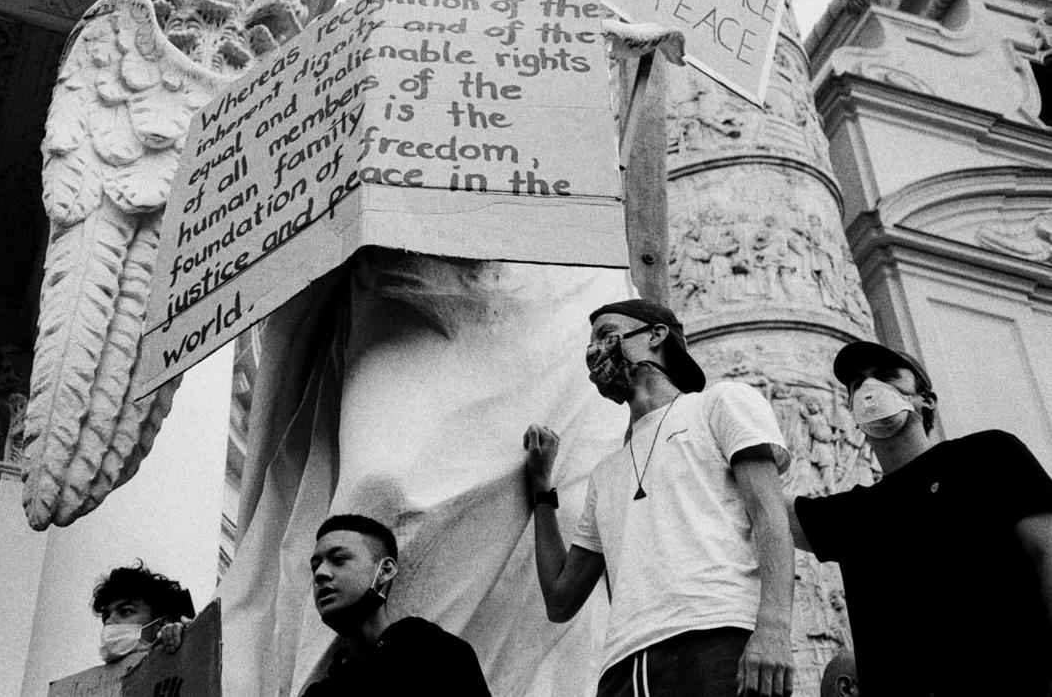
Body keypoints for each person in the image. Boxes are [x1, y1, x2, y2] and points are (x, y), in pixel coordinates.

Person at [216, 0, 632, 697]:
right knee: (380, 481)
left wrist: (627, 54)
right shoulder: (360, 42)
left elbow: (580, 137)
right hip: (399, 303)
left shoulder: (529, 34)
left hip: (520, 299)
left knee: (553, 488)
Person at [523, 298, 795, 697]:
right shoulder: (606, 471)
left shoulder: (719, 404)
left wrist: (773, 627)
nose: (593, 351)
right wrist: (542, 489)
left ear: (656, 335)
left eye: (605, 334)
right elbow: (560, 600)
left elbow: (770, 515)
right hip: (622, 667)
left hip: (716, 634)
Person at [790, 341, 1052, 696]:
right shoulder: (856, 515)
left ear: (926, 400)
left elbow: (1047, 551)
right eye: (857, 384)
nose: (870, 389)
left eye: (885, 376)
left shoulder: (987, 454)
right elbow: (771, 511)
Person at [302, 514, 491, 696]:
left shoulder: (439, 657)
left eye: (339, 560)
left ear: (385, 570)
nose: (320, 574)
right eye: (315, 566)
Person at [69, 562, 195, 689]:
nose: (109, 623)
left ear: (162, 624)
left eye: (125, 612)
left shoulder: (184, 665)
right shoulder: (89, 687)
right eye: (105, 617)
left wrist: (189, 642)